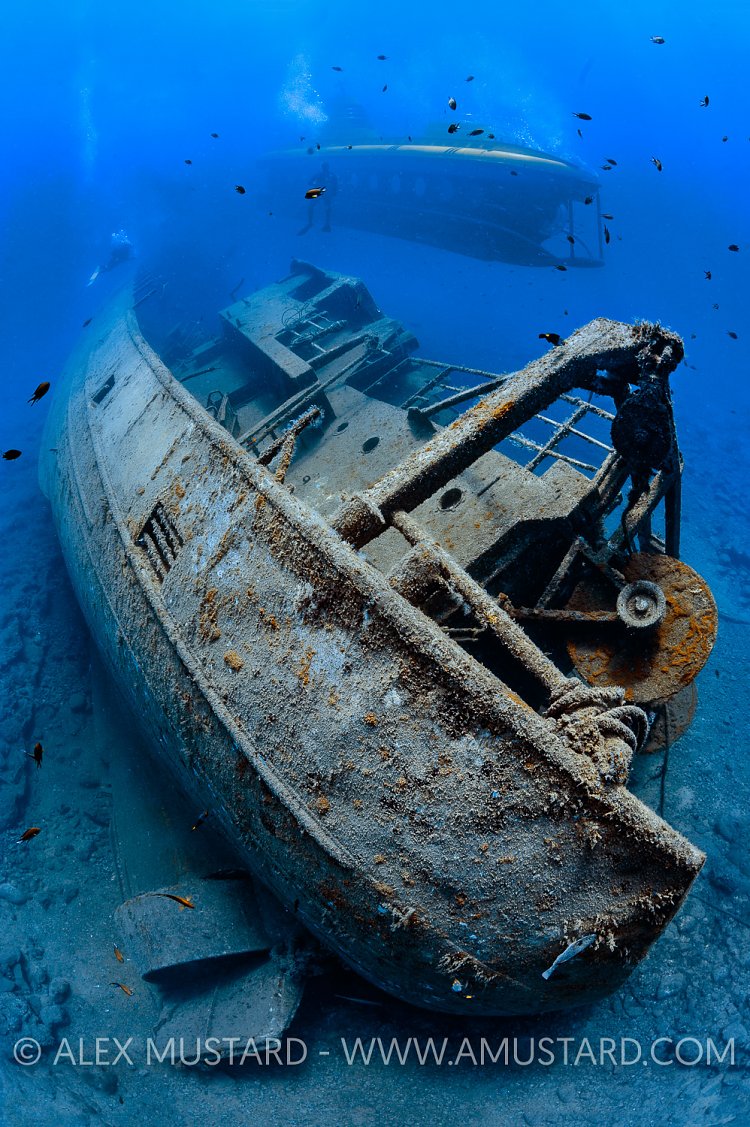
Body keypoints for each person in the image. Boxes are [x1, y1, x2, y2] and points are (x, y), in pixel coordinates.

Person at [298, 162, 338, 235]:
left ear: (322, 167)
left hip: (319, 191)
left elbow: (310, 182)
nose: (325, 168)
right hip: (325, 192)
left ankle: (312, 222)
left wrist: (317, 185)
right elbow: (335, 185)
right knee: (327, 208)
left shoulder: (320, 174)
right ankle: (326, 224)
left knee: (313, 207)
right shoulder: (331, 175)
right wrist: (333, 192)